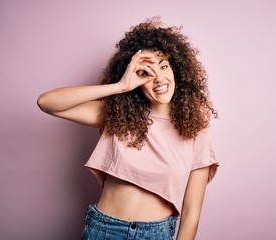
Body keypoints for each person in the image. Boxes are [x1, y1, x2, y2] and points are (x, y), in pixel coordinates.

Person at [37, 17, 219, 240]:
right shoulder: (118, 116)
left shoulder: (195, 131)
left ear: (177, 70)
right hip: (104, 230)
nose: (158, 78)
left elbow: (191, 214)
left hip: (156, 234)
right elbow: (47, 102)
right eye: (145, 72)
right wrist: (120, 86)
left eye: (163, 66)